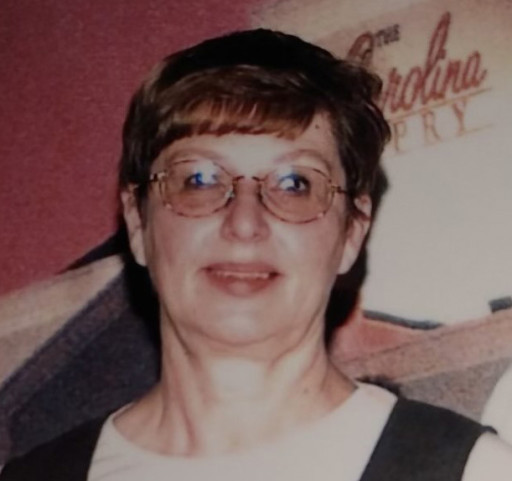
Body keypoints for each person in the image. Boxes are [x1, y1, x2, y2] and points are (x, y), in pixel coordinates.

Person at [2, 28, 512, 481]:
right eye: (199, 179)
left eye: (294, 184)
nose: (244, 223)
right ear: (138, 223)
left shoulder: (470, 472)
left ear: (351, 234)